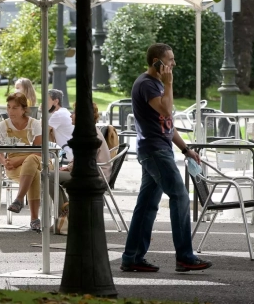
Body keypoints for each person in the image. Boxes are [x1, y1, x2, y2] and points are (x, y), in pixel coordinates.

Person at [121, 43, 212, 273]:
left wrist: (185, 149)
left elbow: (167, 126)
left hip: (158, 149)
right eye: (169, 60)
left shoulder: (155, 84)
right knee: (180, 197)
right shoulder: (147, 84)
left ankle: (131, 257)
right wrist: (169, 84)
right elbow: (166, 111)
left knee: (147, 206)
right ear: (156, 63)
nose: (173, 64)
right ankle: (184, 257)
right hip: (155, 151)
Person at [48, 102, 111, 212]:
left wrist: (70, 167)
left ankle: (65, 214)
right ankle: (66, 212)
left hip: (94, 176)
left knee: (48, 176)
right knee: (51, 175)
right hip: (93, 172)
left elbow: (85, 160)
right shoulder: (88, 131)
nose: (71, 115)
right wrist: (69, 166)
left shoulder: (88, 134)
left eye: (74, 113)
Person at [0, 92, 43, 232]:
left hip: (35, 160)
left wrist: (18, 160)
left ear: (23, 109)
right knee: (36, 175)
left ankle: (19, 199)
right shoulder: (3, 125)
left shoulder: (34, 124)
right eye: (8, 107)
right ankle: (34, 219)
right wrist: (4, 161)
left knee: (32, 159)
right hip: (14, 166)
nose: (10, 111)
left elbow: (38, 151)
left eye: (15, 108)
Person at [47, 89, 74, 161]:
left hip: (65, 155)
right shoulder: (63, 112)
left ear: (56, 101)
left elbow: (42, 132)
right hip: (70, 152)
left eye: (47, 100)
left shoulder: (58, 114)